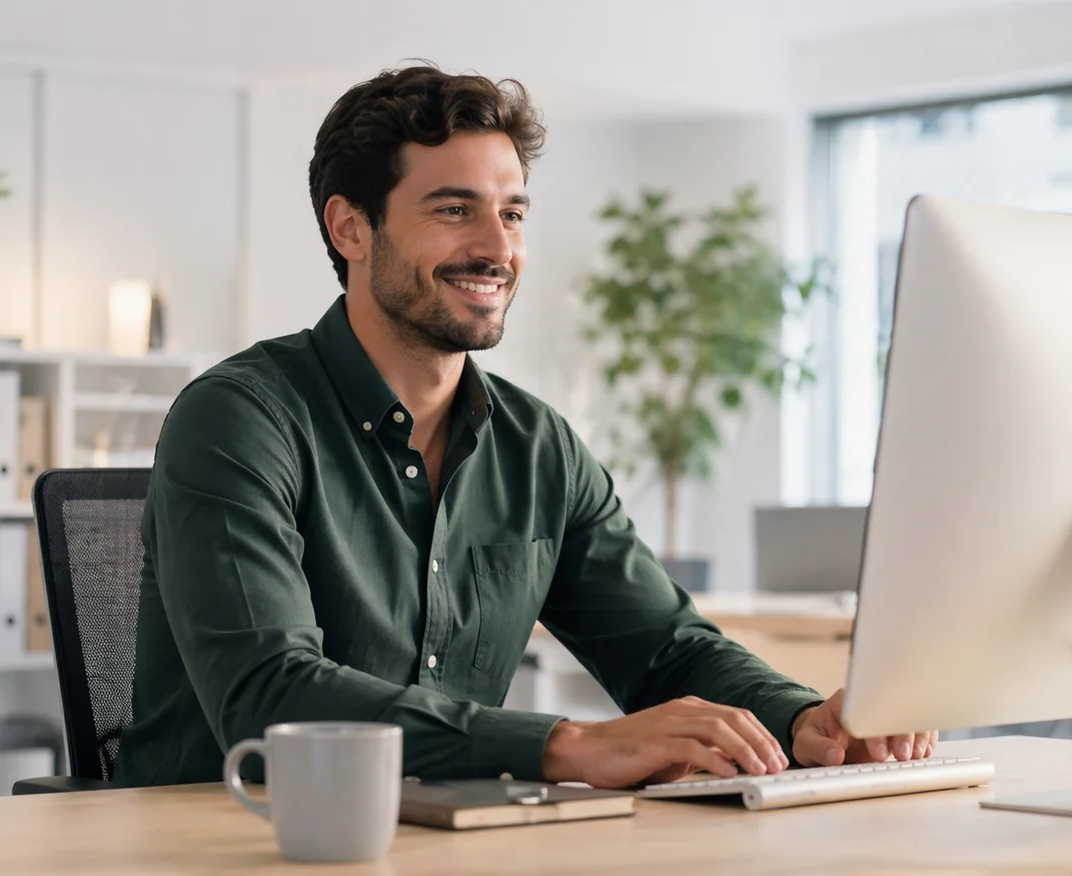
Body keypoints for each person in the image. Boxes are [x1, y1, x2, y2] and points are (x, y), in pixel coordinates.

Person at [116, 65, 935, 789]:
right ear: (350, 228)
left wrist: (801, 722)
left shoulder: (537, 446)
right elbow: (271, 698)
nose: (495, 247)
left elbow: (664, 649)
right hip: (226, 840)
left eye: (512, 214)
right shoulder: (238, 420)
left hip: (447, 840)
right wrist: (569, 747)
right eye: (453, 209)